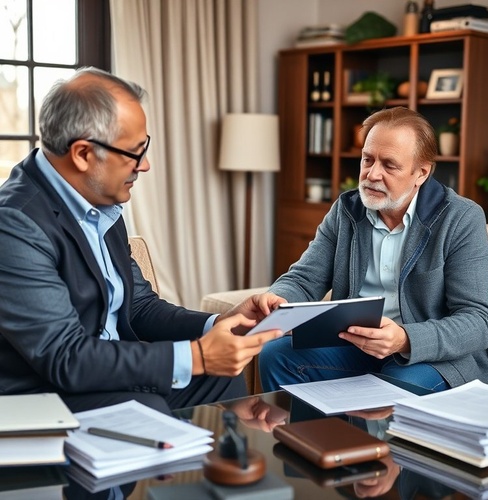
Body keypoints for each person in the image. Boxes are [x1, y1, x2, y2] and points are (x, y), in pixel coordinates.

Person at [0, 67, 283, 414]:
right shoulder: (15, 224)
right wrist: (197, 356)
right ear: (83, 154)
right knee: (148, 404)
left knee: (221, 379)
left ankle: (217, 462)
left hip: (107, 376)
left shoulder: (99, 202)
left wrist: (215, 324)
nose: (145, 165)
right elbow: (65, 357)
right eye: (135, 152)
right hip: (45, 394)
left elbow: (139, 306)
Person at [257, 106, 488, 393]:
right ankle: (305, 438)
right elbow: (305, 278)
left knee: (396, 387)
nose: (372, 174)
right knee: (277, 355)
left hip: (431, 358)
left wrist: (405, 338)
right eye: (367, 160)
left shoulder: (460, 218)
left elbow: (480, 321)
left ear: (421, 172)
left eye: (389, 165)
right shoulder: (346, 210)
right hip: (353, 344)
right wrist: (278, 299)